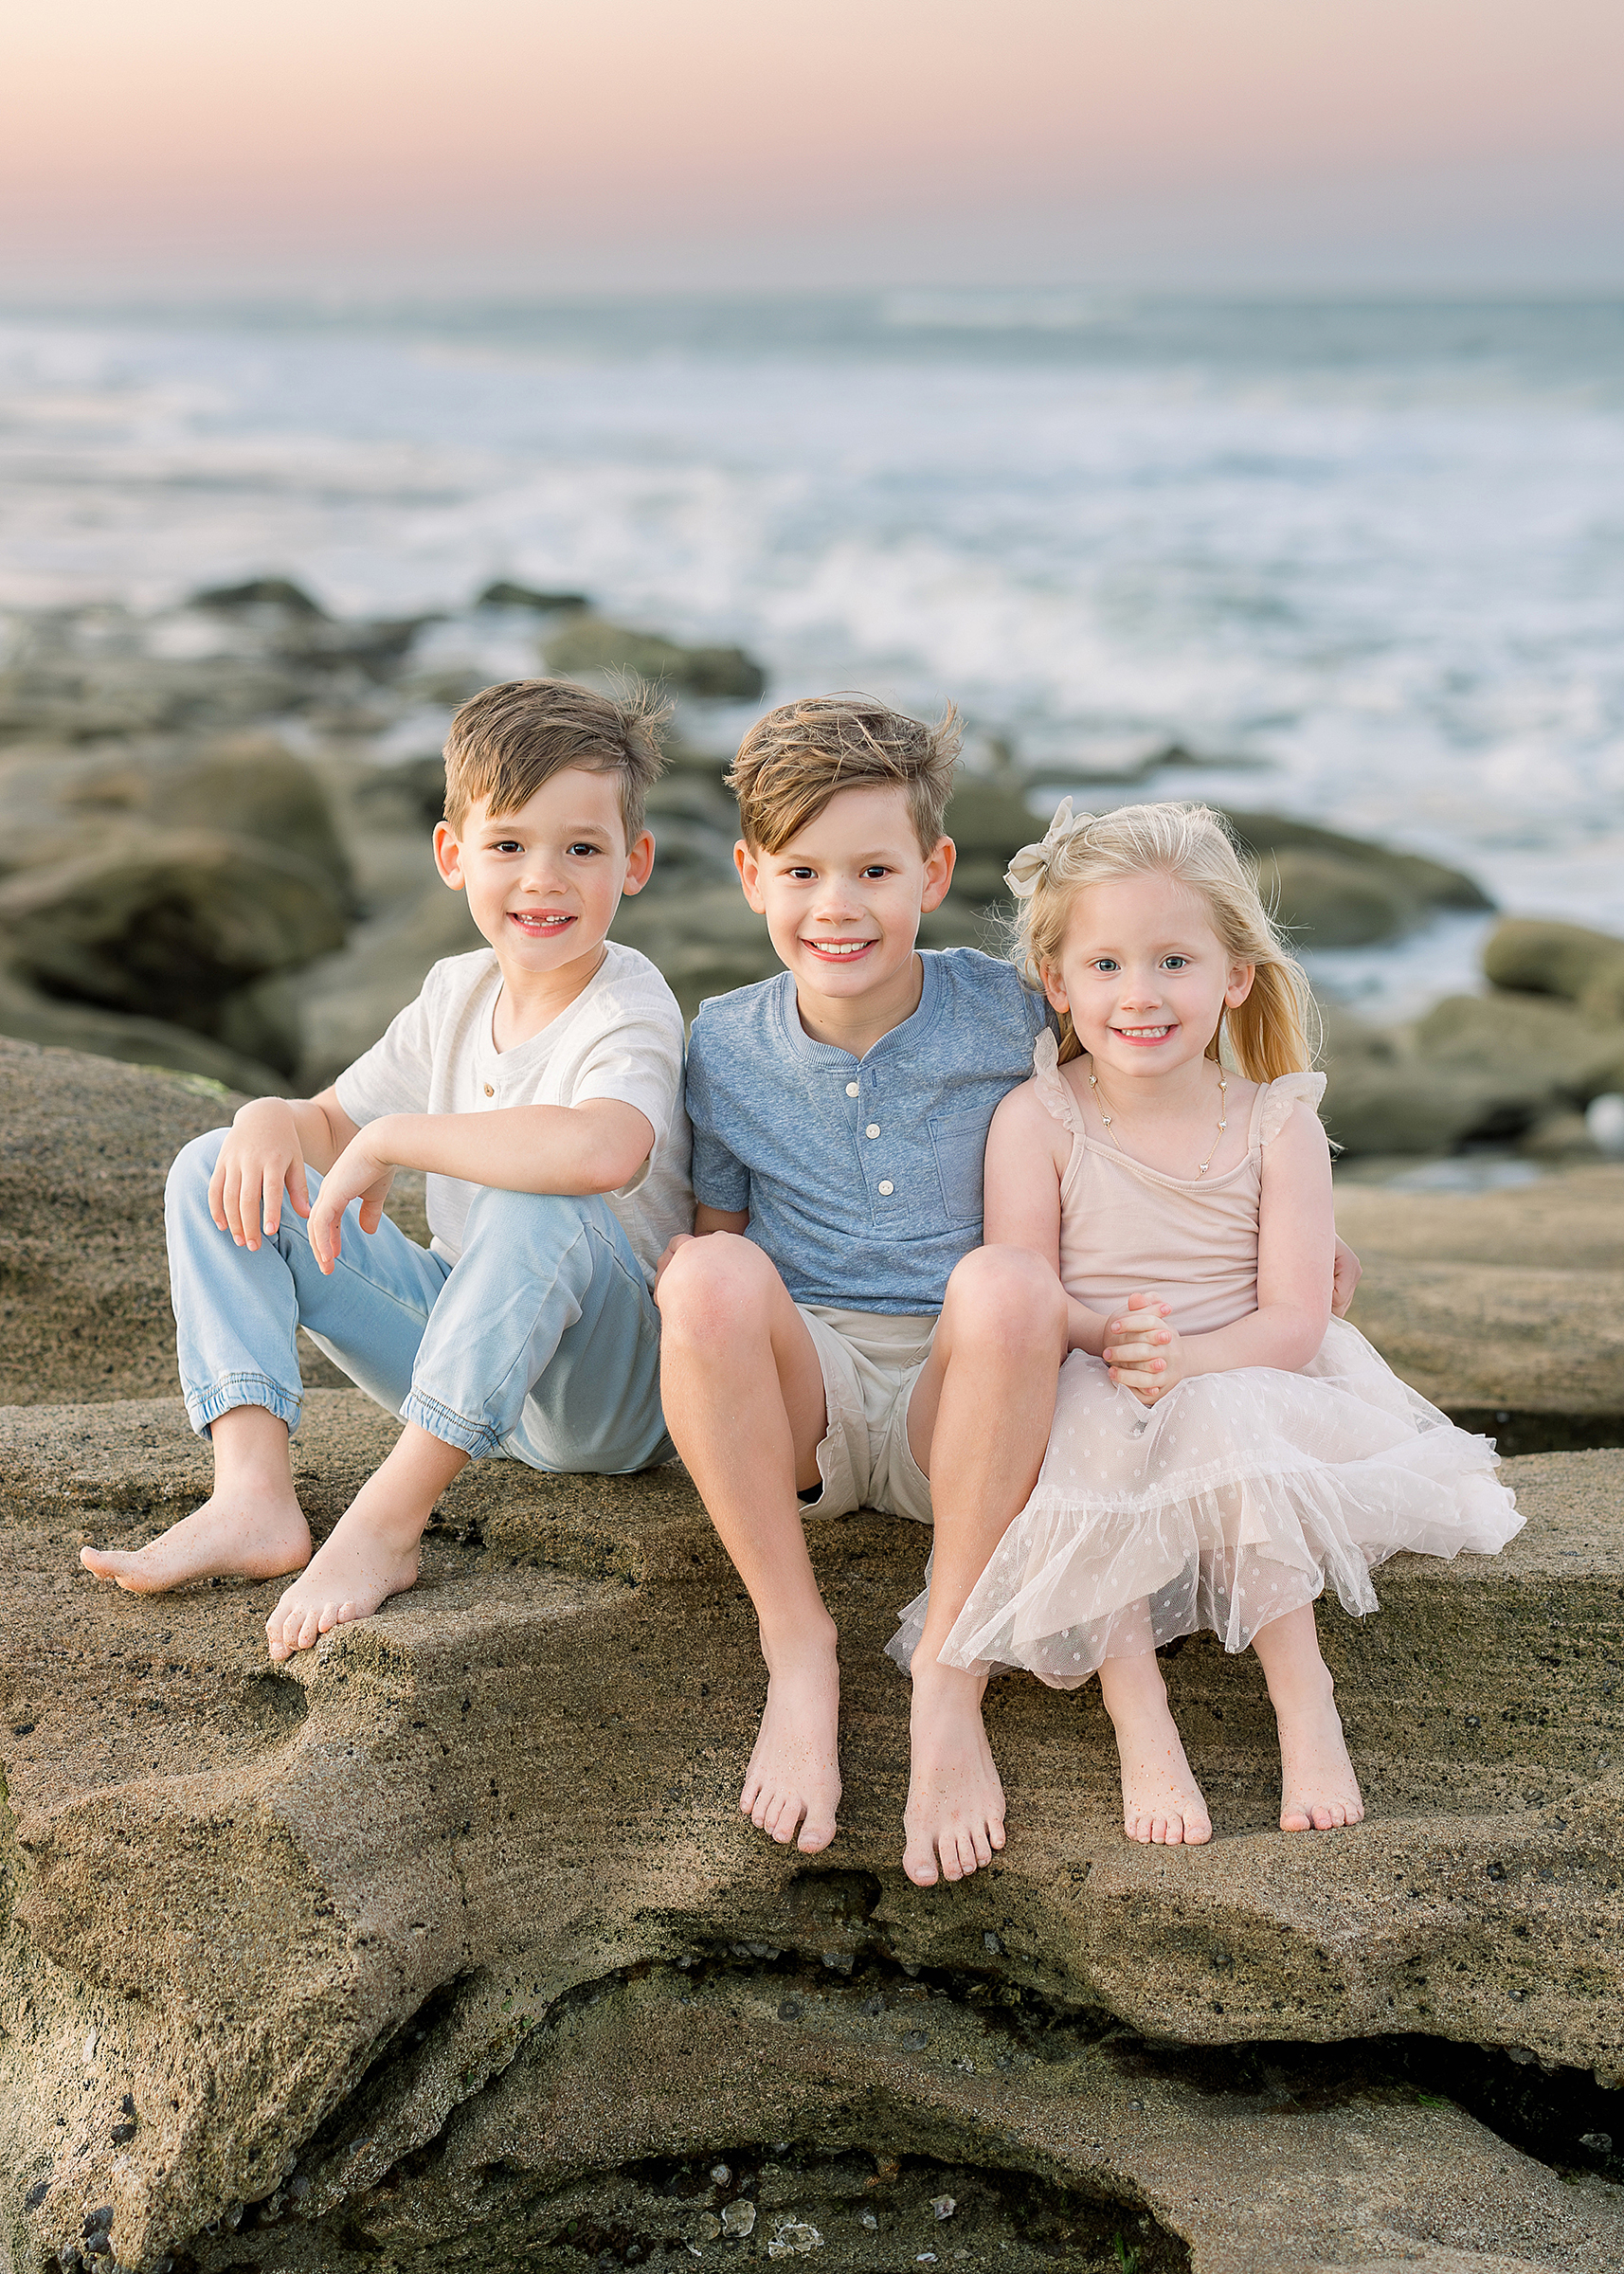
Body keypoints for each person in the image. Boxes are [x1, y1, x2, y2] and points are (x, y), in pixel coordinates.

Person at [658, 698, 1367, 1885]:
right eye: (802, 872)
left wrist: (1304, 1239)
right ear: (749, 877)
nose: (839, 905)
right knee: (708, 1270)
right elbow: (716, 1239)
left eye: (875, 869)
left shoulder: (1007, 1002)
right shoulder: (721, 1043)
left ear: (933, 871)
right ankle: (799, 1649)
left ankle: (950, 1670)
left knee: (1003, 1284)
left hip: (976, 1407)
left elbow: (1149, 1046)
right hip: (811, 1404)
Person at [893, 797, 1522, 1846]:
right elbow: (1025, 1287)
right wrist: (1114, 1343)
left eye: (1173, 962)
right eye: (1103, 967)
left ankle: (1303, 1700)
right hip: (1092, 1367)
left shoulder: (1278, 1123)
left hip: (1245, 1369)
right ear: (1056, 981)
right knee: (1087, 1430)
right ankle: (1140, 1720)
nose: (1138, 995)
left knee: (1222, 1420)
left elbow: (1292, 1319)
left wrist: (1189, 1359)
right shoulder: (1040, 1118)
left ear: (1234, 975)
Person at [81, 680, 692, 1662]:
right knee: (213, 1166)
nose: (544, 879)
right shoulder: (456, 991)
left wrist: (397, 1138)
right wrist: (267, 1117)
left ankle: (383, 1525)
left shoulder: (630, 1006)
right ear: (453, 856)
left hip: (604, 1397)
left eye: (582, 848)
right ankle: (250, 1497)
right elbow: (326, 1121)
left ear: (637, 863)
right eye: (508, 846)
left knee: (542, 1209)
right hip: (461, 1346)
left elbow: (602, 1149)